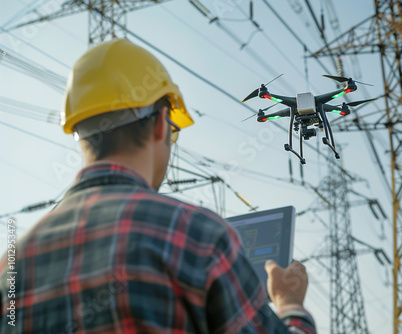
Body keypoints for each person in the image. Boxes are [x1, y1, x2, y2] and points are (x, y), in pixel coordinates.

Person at [0, 38, 316, 333]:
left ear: (77, 132)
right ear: (162, 123)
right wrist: (290, 306)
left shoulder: (11, 267)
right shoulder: (199, 237)